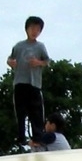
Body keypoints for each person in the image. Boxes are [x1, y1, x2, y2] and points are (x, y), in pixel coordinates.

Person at [7, 16, 50, 146]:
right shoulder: (19, 46)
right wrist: (11, 62)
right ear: (27, 29)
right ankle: (21, 137)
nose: (34, 31)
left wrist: (38, 62)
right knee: (20, 111)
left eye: (38, 29)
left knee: (36, 111)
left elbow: (47, 61)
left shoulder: (40, 46)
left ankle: (37, 137)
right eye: (32, 28)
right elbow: (10, 59)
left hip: (34, 82)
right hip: (20, 81)